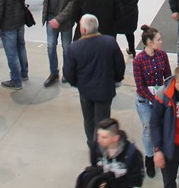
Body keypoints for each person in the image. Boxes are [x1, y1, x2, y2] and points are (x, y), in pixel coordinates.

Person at [65, 14, 126, 153]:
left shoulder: (74, 48)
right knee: (103, 121)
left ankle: (92, 144)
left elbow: (69, 73)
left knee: (88, 119)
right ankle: (101, 146)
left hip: (85, 91)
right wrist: (116, 80)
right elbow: (119, 66)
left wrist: (77, 84)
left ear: (84, 30)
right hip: (105, 91)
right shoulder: (110, 42)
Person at [133, 25, 172, 178]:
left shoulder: (162, 55)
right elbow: (140, 86)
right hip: (145, 101)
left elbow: (168, 77)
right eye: (158, 39)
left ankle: (162, 153)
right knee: (149, 128)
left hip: (160, 98)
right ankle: (149, 158)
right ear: (149, 42)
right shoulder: (139, 60)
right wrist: (154, 99)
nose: (161, 42)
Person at [43, 0, 81, 87]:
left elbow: (72, 3)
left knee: (66, 48)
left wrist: (59, 19)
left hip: (65, 21)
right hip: (50, 17)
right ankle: (53, 72)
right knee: (50, 46)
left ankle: (67, 72)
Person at [77, 117, 146, 188]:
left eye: (104, 137)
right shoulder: (96, 147)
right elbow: (94, 167)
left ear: (115, 138)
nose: (99, 140)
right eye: (98, 136)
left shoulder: (131, 153)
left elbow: (136, 180)